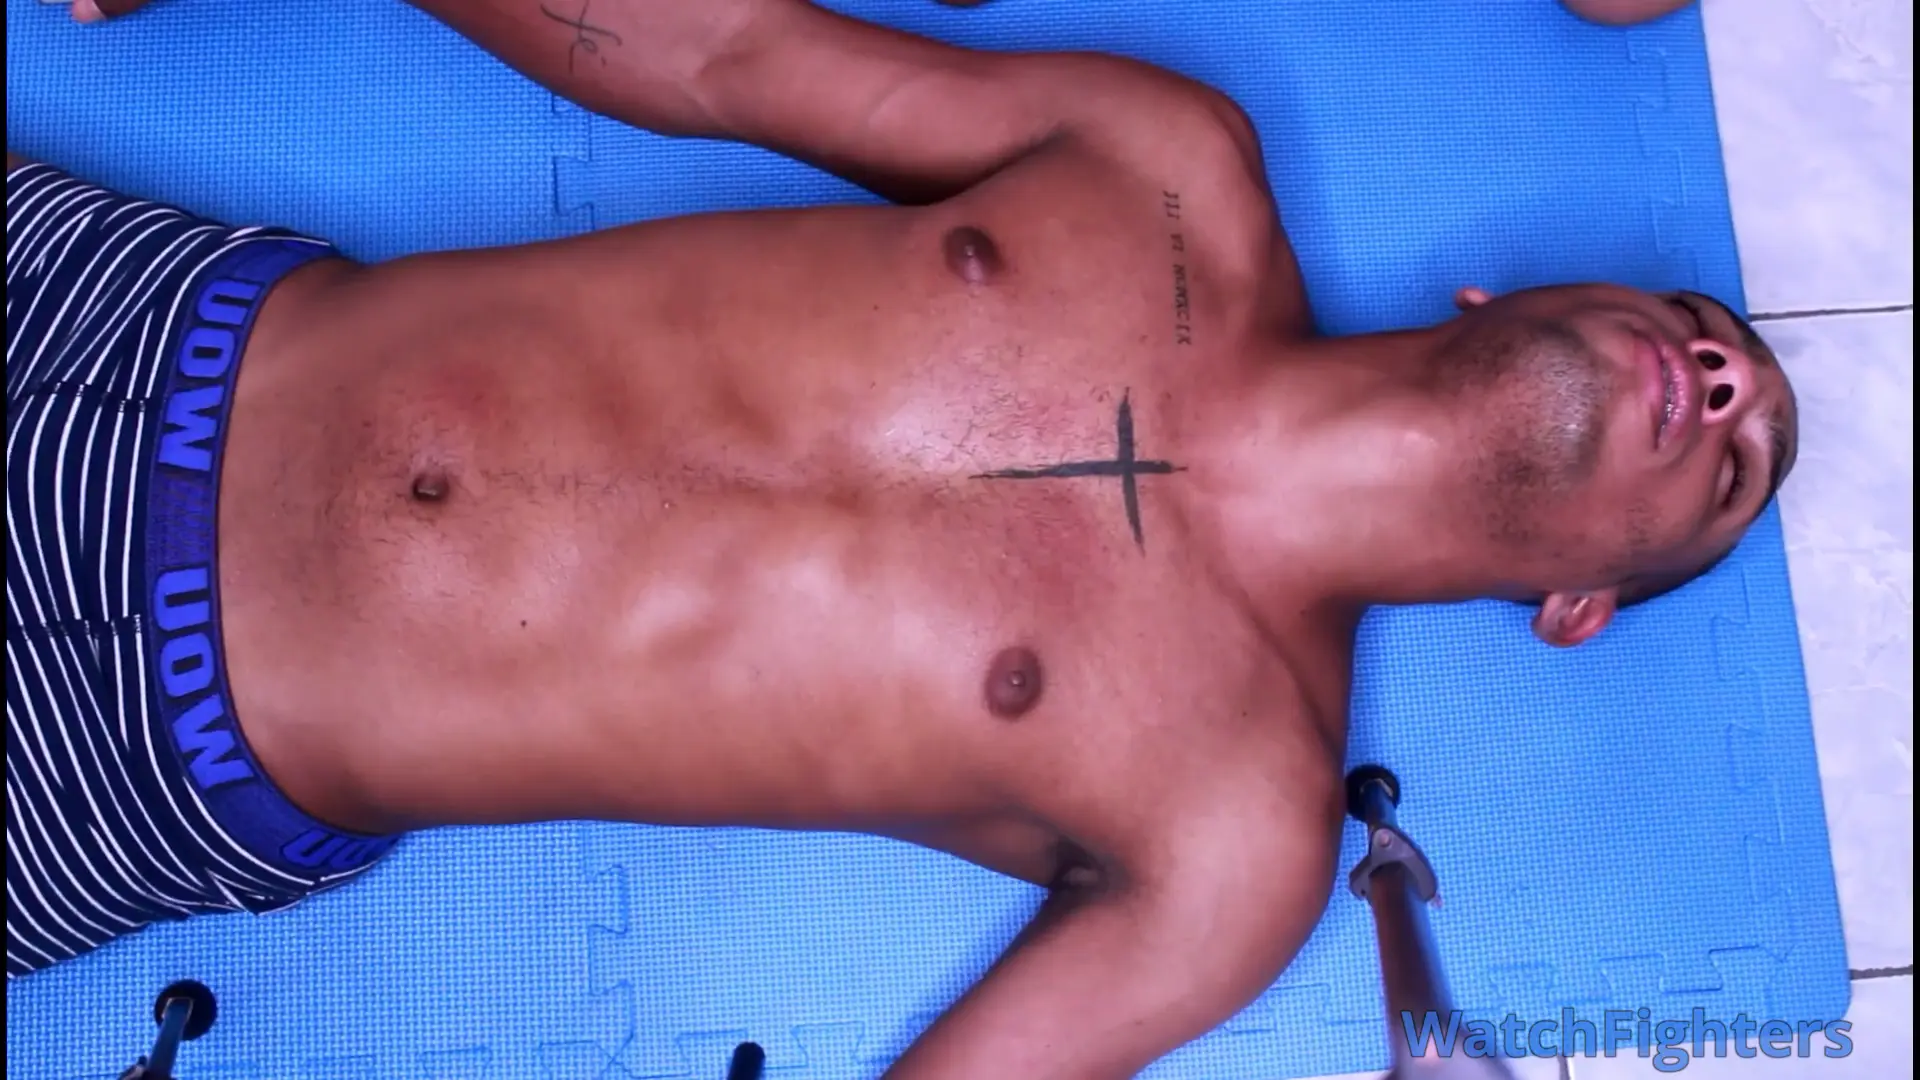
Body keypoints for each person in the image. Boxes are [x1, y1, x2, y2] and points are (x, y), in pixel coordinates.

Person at [7, 0, 1794, 1075]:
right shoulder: (1170, 164)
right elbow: (729, 51)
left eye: (1737, 467)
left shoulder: (1239, 837)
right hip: (132, 327)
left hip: (127, 753)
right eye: (1713, 336)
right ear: (1502, 293)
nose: (1730, 384)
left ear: (1579, 604)